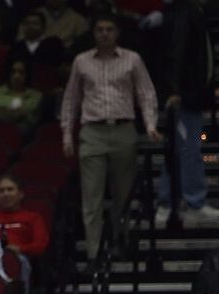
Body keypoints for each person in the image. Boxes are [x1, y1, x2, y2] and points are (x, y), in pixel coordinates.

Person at [60, 14, 160, 263]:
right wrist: (66, 135)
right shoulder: (81, 61)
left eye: (109, 29)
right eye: (100, 29)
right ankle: (94, 254)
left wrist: (150, 125)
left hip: (123, 129)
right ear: (94, 33)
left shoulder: (132, 59)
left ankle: (120, 243)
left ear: (117, 33)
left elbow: (145, 93)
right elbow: (71, 99)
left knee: (122, 195)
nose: (105, 33)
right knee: (91, 197)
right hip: (92, 131)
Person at [156, 0, 217, 224]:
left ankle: (174, 201)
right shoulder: (185, 13)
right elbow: (176, 52)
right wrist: (173, 91)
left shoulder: (193, 13)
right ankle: (189, 200)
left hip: (192, 94)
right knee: (187, 148)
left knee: (182, 148)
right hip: (185, 95)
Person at [0, 59, 43, 136]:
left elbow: (32, 122)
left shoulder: (35, 96)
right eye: (13, 72)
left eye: (21, 72)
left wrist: (16, 114)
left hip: (19, 136)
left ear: (27, 75)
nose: (16, 76)